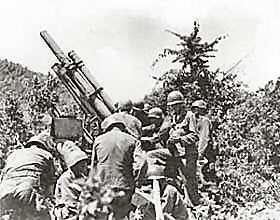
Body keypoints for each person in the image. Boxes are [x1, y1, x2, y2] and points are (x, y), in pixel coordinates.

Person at [88, 114, 140, 219]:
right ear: (122, 127)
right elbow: (140, 165)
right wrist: (136, 181)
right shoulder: (133, 140)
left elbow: (93, 166)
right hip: (124, 186)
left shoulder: (98, 140)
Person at [0, 131, 56, 219]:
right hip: (27, 187)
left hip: (5, 188)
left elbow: (3, 175)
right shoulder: (46, 155)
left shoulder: (13, 154)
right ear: (44, 146)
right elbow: (50, 184)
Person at [166, 90, 200, 206]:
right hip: (178, 154)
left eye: (175, 105)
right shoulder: (174, 117)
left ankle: (195, 205)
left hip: (189, 153)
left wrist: (180, 140)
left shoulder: (190, 116)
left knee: (190, 181)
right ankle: (188, 204)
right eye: (171, 106)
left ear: (181, 104)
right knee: (183, 180)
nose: (173, 108)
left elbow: (195, 136)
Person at [54, 140, 88, 220]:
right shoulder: (66, 178)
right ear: (74, 166)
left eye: (84, 164)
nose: (84, 167)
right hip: (67, 211)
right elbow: (70, 202)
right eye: (81, 165)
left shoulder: (81, 177)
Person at [191, 100, 217, 183]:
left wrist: (200, 153)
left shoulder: (205, 121)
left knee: (206, 174)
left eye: (197, 109)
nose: (195, 111)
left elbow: (204, 138)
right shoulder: (193, 121)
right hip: (197, 150)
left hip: (206, 152)